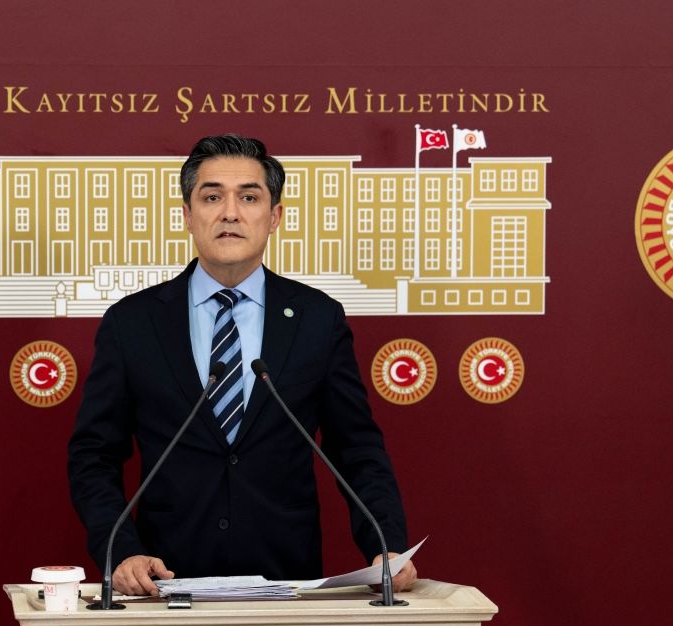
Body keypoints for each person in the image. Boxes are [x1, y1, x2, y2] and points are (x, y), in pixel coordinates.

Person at [67, 134, 417, 596]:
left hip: (286, 581)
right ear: (188, 215)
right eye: (212, 197)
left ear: (274, 217)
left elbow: (357, 449)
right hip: (164, 581)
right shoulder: (133, 322)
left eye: (249, 197)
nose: (230, 213)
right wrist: (123, 551)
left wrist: (386, 547)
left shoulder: (317, 319)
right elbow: (94, 456)